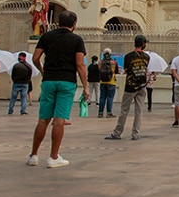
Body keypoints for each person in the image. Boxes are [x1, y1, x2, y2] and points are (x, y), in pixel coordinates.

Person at [28, 10, 88, 168]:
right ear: (74, 24)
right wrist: (86, 87)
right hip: (66, 81)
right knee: (59, 119)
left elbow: (35, 58)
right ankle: (53, 157)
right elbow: (80, 64)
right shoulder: (76, 40)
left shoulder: (46, 36)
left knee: (43, 119)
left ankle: (33, 155)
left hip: (49, 80)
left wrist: (42, 70)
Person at [105, 35, 150, 140]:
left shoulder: (129, 56)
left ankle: (117, 133)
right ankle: (135, 133)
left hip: (130, 86)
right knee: (139, 111)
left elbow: (125, 70)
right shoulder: (147, 57)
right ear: (143, 44)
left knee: (124, 110)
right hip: (142, 86)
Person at [98, 48, 117, 118]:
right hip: (111, 82)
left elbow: (99, 71)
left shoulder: (100, 62)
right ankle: (109, 113)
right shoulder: (114, 62)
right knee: (110, 97)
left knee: (102, 97)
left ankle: (100, 113)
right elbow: (117, 71)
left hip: (102, 82)